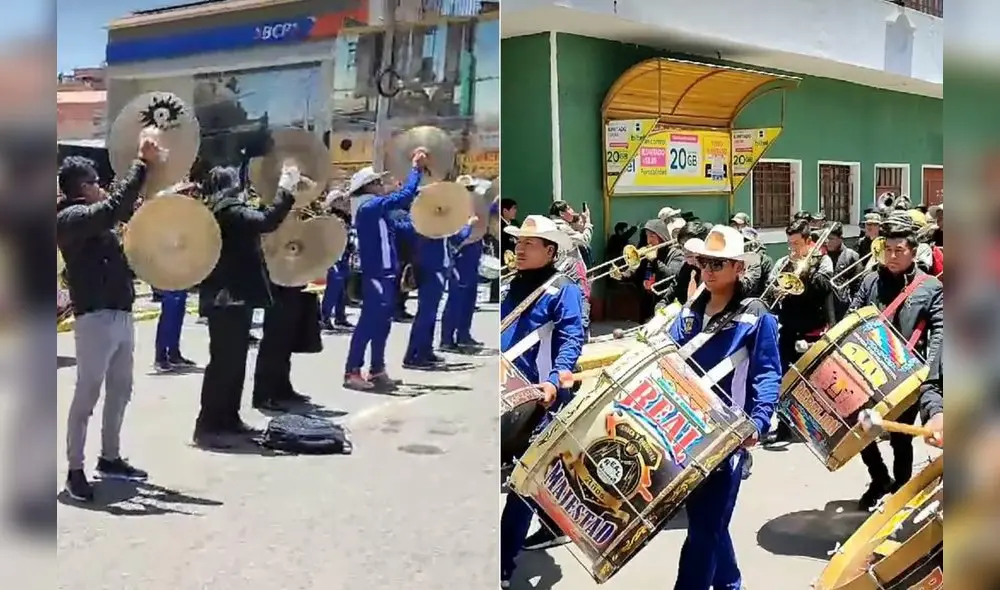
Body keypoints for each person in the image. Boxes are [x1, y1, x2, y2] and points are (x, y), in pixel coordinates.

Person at [665, 225, 782, 590]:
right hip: (683, 434)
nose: (709, 270)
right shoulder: (686, 313)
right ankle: (730, 584)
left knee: (703, 530)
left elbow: (767, 373)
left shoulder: (755, 316)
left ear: (739, 269)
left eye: (719, 263)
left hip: (727, 439)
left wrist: (758, 423)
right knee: (708, 522)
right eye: (704, 263)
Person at [56, 138, 159, 502]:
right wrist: (140, 163)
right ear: (83, 187)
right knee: (87, 395)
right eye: (96, 181)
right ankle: (74, 469)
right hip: (95, 319)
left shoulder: (97, 220)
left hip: (120, 314)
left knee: (120, 391)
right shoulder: (70, 218)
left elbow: (123, 211)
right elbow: (116, 205)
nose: (101, 186)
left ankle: (110, 457)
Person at [499, 215, 585, 587]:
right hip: (503, 394)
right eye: (519, 242)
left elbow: (571, 338)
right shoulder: (508, 285)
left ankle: (501, 563)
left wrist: (553, 381)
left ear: (550, 251)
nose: (519, 248)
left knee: (523, 482)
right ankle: (552, 523)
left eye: (529, 244)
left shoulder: (561, 288)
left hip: (539, 401)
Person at [193, 164, 296, 448]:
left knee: (234, 362)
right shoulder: (227, 208)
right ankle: (210, 424)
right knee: (225, 363)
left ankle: (228, 418)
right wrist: (286, 189)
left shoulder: (222, 207)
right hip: (227, 297)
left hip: (232, 296)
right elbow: (266, 220)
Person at [850, 211, 943, 510]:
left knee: (900, 439)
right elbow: (852, 319)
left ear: (913, 251)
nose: (891, 256)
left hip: (908, 376)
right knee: (863, 432)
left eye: (898, 251)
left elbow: (941, 334)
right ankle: (879, 478)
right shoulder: (869, 282)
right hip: (867, 374)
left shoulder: (930, 287)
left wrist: (931, 377)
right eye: (887, 249)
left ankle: (902, 490)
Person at [344, 150, 426, 391]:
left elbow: (404, 228)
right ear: (369, 187)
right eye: (378, 182)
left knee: (383, 324)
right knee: (369, 323)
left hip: (387, 273)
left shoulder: (379, 212)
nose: (383, 185)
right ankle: (352, 371)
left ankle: (377, 370)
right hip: (375, 274)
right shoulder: (369, 207)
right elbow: (402, 197)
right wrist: (416, 171)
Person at [765, 219, 835, 444]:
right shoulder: (784, 263)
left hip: (812, 330)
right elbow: (770, 289)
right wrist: (778, 287)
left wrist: (805, 271)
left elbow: (826, 289)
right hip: (788, 329)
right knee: (785, 379)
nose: (792, 249)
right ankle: (784, 428)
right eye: (790, 244)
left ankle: (817, 429)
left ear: (808, 242)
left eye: (796, 244)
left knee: (814, 381)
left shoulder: (822, 261)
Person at [440, 214, 483, 351]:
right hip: (459, 265)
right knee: (455, 303)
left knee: (468, 303)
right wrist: (470, 224)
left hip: (472, 265)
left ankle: (463, 335)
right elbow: (460, 237)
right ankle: (446, 340)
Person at [320, 188, 354, 332]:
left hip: (344, 254)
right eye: (342, 199)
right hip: (335, 256)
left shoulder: (346, 217)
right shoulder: (333, 218)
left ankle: (340, 316)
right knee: (334, 286)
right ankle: (324, 318)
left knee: (342, 289)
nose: (346, 202)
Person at [824, 222, 860, 320]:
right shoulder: (822, 256)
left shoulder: (851, 256)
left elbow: (857, 288)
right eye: (825, 238)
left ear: (840, 238)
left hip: (842, 310)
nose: (827, 241)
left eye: (831, 238)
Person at [152, 288, 195, 372]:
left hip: (180, 281)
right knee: (169, 315)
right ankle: (161, 357)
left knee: (178, 313)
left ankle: (174, 354)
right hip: (168, 281)